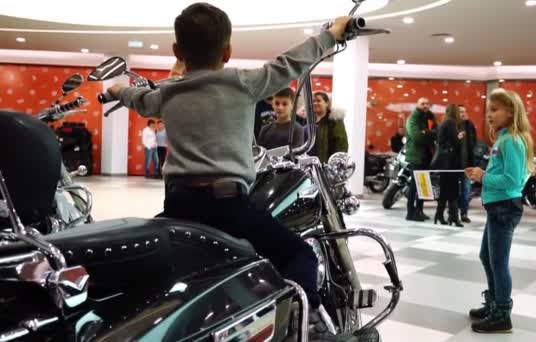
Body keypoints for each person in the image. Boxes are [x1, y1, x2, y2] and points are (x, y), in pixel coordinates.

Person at [106, 3, 352, 338]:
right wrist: (332, 34)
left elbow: (136, 97)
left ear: (177, 50)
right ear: (228, 51)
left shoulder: (166, 93)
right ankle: (300, 317)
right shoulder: (244, 82)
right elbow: (293, 61)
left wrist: (117, 89)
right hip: (229, 206)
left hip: (179, 205)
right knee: (300, 253)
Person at [465, 88, 534, 333]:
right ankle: (494, 303)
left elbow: (513, 180)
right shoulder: (504, 139)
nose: (489, 115)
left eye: (495, 110)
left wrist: (483, 177)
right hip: (498, 208)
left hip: (505, 208)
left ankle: (502, 313)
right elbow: (504, 174)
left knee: (499, 262)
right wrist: (481, 173)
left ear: (511, 111)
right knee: (487, 257)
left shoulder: (512, 140)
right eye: (488, 111)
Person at [404, 97, 437, 221]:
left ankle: (419, 210)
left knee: (423, 184)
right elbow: (417, 137)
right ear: (417, 105)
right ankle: (410, 212)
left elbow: (436, 132)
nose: (425, 105)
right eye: (422, 103)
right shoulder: (413, 119)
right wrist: (429, 133)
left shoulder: (430, 117)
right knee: (415, 184)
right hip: (416, 156)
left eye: (427, 103)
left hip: (428, 155)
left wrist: (426, 132)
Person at [434, 104, 464, 227]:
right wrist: (460, 136)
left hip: (444, 163)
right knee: (452, 190)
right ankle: (453, 217)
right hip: (450, 163)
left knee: (446, 189)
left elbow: (442, 141)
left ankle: (440, 215)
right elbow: (454, 141)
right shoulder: (451, 123)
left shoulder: (444, 122)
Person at [307, 91, 349, 163]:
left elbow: (341, 144)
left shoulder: (334, 121)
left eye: (318, 100)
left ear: (326, 103)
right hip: (311, 165)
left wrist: (335, 162)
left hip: (328, 166)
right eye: (313, 101)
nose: (315, 103)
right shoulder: (308, 121)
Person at [459, 105, 478, 223]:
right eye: (461, 112)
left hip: (467, 164)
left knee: (466, 189)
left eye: (465, 111)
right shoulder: (452, 125)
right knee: (454, 190)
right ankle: (452, 213)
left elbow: (474, 142)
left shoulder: (470, 126)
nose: (464, 114)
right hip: (455, 165)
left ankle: (464, 213)